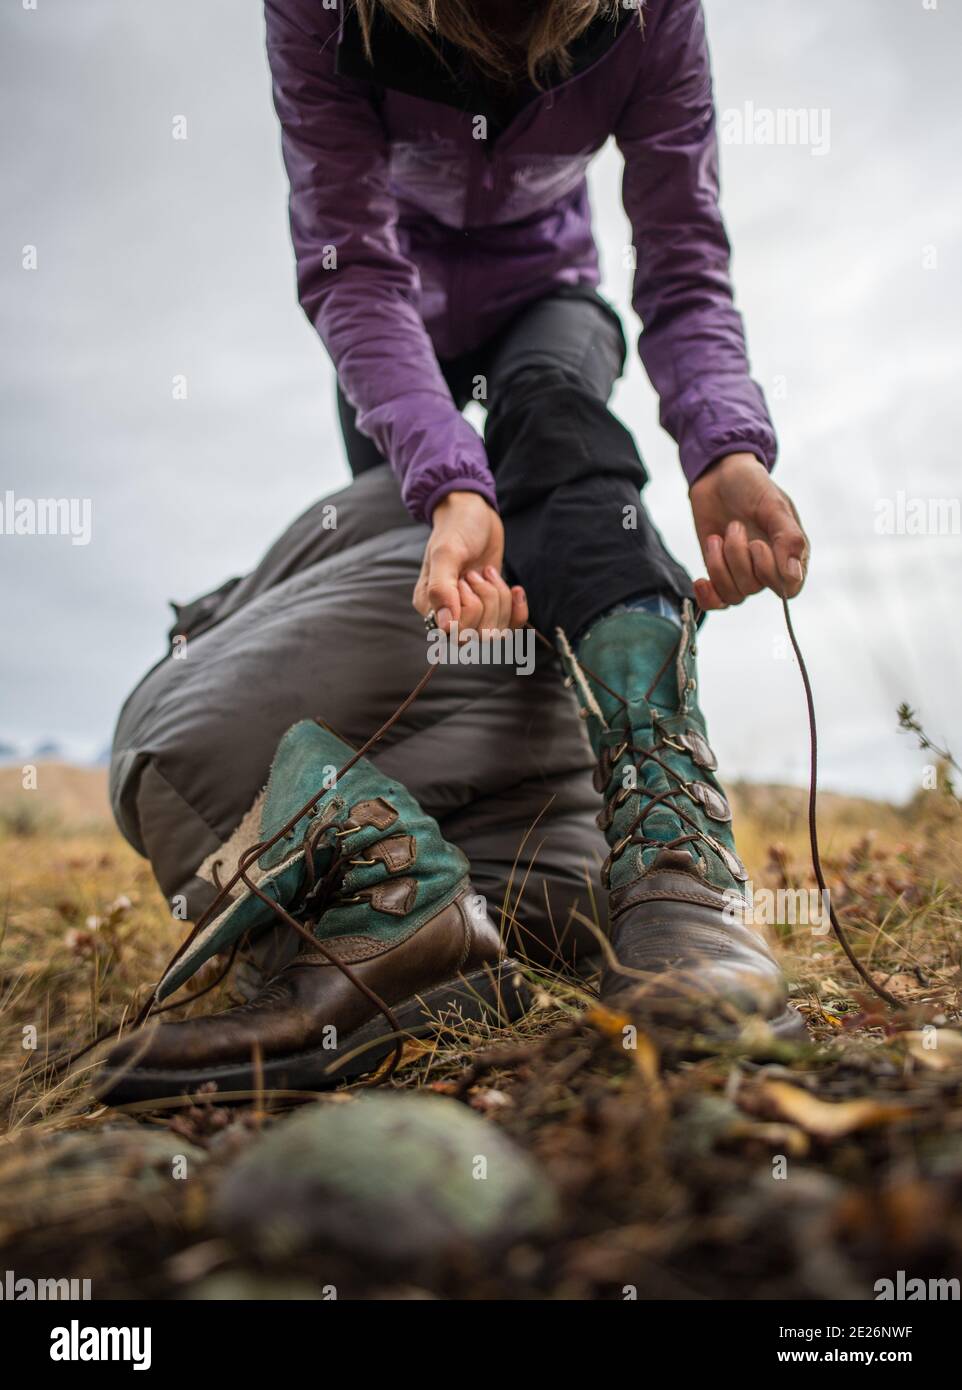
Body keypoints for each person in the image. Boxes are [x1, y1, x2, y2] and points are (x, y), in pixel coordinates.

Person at [101, 0, 809, 1099]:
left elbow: (680, 250)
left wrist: (720, 439)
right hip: (397, 325)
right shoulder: (322, 18)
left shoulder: (652, 15)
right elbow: (352, 262)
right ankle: (406, 903)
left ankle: (677, 865)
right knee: (410, 530)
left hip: (549, 296)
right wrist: (449, 483)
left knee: (553, 401)